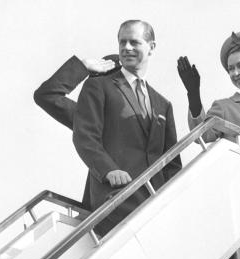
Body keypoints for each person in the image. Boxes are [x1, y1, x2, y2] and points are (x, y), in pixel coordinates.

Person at [73, 20, 181, 222]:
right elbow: (85, 138)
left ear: (152, 47)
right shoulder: (99, 87)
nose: (127, 48)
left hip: (155, 204)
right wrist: (108, 170)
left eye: (134, 42)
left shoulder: (163, 104)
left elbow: (171, 161)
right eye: (122, 43)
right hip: (115, 200)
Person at [33, 54, 120, 208]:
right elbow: (46, 95)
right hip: (105, 212)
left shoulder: (152, 115)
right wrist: (83, 66)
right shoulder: (92, 119)